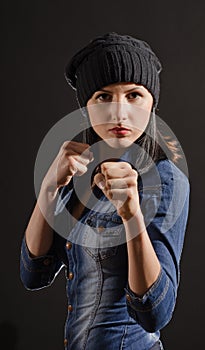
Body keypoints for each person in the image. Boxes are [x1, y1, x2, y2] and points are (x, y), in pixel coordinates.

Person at [20, 33, 190, 350]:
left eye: (134, 95)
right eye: (103, 96)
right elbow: (33, 274)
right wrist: (49, 187)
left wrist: (131, 215)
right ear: (86, 107)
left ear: (152, 102)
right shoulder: (79, 171)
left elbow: (155, 313)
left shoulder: (165, 178)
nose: (120, 113)